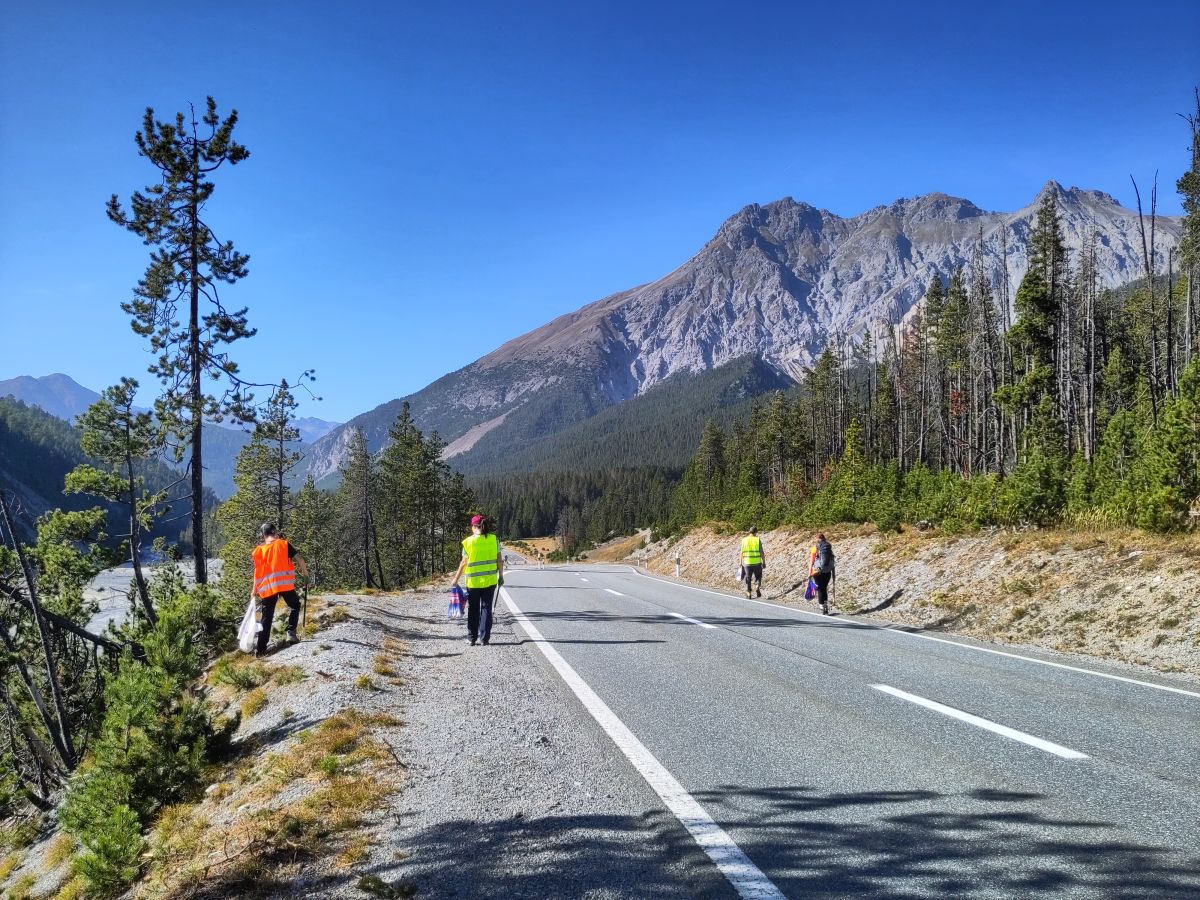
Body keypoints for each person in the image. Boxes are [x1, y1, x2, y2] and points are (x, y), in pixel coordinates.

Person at [251, 522, 309, 654]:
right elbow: (299, 559)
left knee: (266, 618)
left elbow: (257, 571)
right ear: (275, 532)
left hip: (268, 587)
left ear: (263, 535)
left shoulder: (260, 550)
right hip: (284, 584)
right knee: (295, 605)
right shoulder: (284, 544)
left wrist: (254, 589)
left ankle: (260, 650)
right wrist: (306, 574)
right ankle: (291, 632)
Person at [451, 514, 504, 646]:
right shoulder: (494, 539)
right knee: (486, 608)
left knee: (473, 609)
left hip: (473, 582)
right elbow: (499, 559)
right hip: (490, 580)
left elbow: (464, 562)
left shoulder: (468, 542)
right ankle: (484, 639)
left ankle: (472, 638)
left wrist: (456, 579)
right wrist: (501, 576)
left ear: (474, 526)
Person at [809, 532, 836, 615]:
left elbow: (811, 562)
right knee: (824, 588)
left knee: (820, 588)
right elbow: (832, 559)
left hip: (817, 571)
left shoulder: (815, 548)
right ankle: (825, 605)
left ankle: (822, 606)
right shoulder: (828, 548)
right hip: (827, 571)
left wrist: (809, 573)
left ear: (817, 539)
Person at [740, 526, 765, 598]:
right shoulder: (757, 540)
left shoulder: (744, 540)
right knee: (758, 576)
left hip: (747, 563)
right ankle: (757, 587)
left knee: (748, 578)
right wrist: (764, 562)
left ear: (749, 532)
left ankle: (749, 592)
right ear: (756, 532)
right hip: (757, 562)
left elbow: (741, 553)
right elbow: (761, 552)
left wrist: (740, 563)